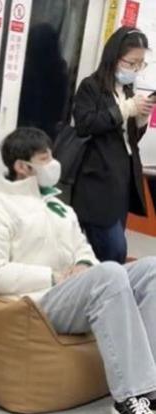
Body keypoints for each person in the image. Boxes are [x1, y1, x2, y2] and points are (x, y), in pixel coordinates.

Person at [0, 127, 156, 414]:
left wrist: (82, 264)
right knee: (108, 274)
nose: (54, 164)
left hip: (73, 292)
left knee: (150, 269)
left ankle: (150, 389)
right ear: (22, 167)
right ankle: (129, 399)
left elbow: (84, 251)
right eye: (45, 158)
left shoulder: (58, 207)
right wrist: (53, 277)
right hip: (36, 303)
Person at [72, 27, 153, 263]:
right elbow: (85, 125)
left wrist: (141, 118)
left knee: (107, 250)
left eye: (140, 64)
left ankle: (97, 290)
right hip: (97, 179)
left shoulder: (128, 89)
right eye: (131, 63)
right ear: (114, 57)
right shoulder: (91, 86)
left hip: (123, 178)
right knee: (114, 250)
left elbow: (128, 139)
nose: (135, 70)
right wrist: (125, 109)